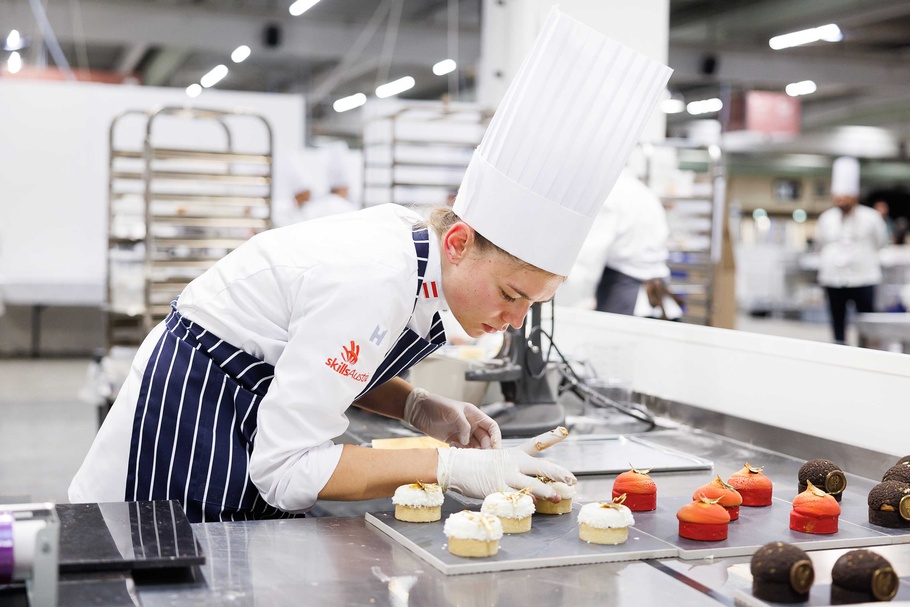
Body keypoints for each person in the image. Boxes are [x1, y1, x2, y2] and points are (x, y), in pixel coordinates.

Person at [69, 8, 670, 522]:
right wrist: (452, 466)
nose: (514, 321)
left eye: (531, 306)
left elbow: (330, 362)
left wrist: (417, 406)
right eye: (511, 294)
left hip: (243, 417)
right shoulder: (373, 277)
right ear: (458, 242)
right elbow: (284, 470)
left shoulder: (415, 259)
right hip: (188, 431)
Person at [561, 168, 682, 320]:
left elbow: (587, 264)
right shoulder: (641, 190)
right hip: (659, 301)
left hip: (626, 303)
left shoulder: (609, 194)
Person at [815, 156, 889, 345]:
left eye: (844, 197)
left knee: (865, 322)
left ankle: (866, 353)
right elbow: (820, 243)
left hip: (863, 277)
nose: (840, 201)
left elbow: (881, 242)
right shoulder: (826, 218)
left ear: (854, 196)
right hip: (833, 278)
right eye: (837, 197)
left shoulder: (871, 218)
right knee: (837, 321)